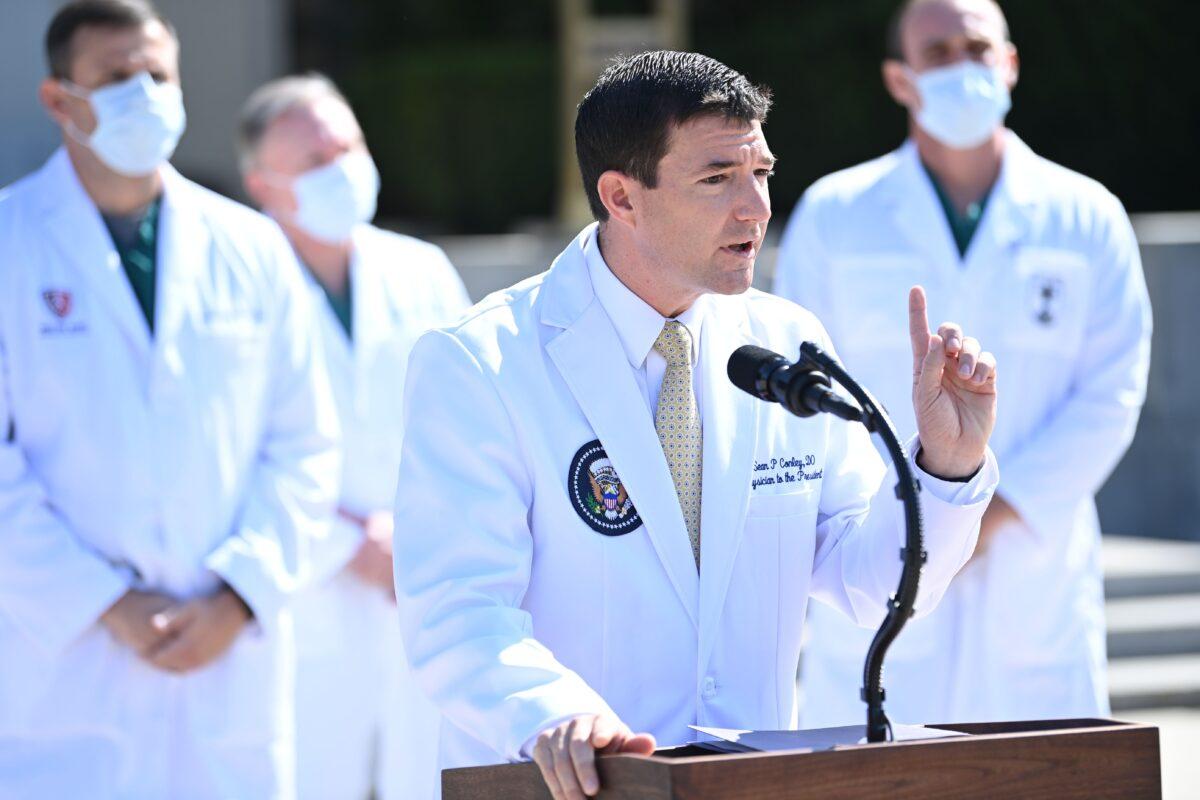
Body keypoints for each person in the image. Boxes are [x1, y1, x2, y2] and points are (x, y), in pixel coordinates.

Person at [393, 50, 1003, 800]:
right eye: (718, 179)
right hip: (577, 784)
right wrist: (562, 718)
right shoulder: (481, 362)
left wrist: (946, 463)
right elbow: (457, 614)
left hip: (751, 784)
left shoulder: (784, 344)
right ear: (621, 196)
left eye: (763, 174)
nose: (756, 207)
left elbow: (868, 579)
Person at [774, 0, 1152, 727]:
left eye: (977, 47)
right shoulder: (836, 214)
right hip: (883, 552)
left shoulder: (1088, 215)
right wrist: (919, 524)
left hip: (1032, 571)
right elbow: (808, 395)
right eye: (938, 52)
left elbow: (1112, 394)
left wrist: (991, 514)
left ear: (1010, 63)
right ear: (900, 80)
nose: (961, 65)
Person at [0, 2, 340, 797]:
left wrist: (238, 594)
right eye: (116, 78)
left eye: (157, 75)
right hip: (62, 666)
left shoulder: (250, 246)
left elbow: (304, 445)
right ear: (59, 100)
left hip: (229, 666)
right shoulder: (9, 243)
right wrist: (105, 601)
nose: (144, 94)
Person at [239, 73, 471, 800]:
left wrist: (412, 530)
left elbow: (472, 416)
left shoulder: (419, 268)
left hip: (420, 578)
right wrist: (348, 543)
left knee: (427, 775)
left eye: (349, 146)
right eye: (314, 161)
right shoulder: (237, 284)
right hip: (300, 591)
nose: (341, 169)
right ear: (262, 185)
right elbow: (223, 447)